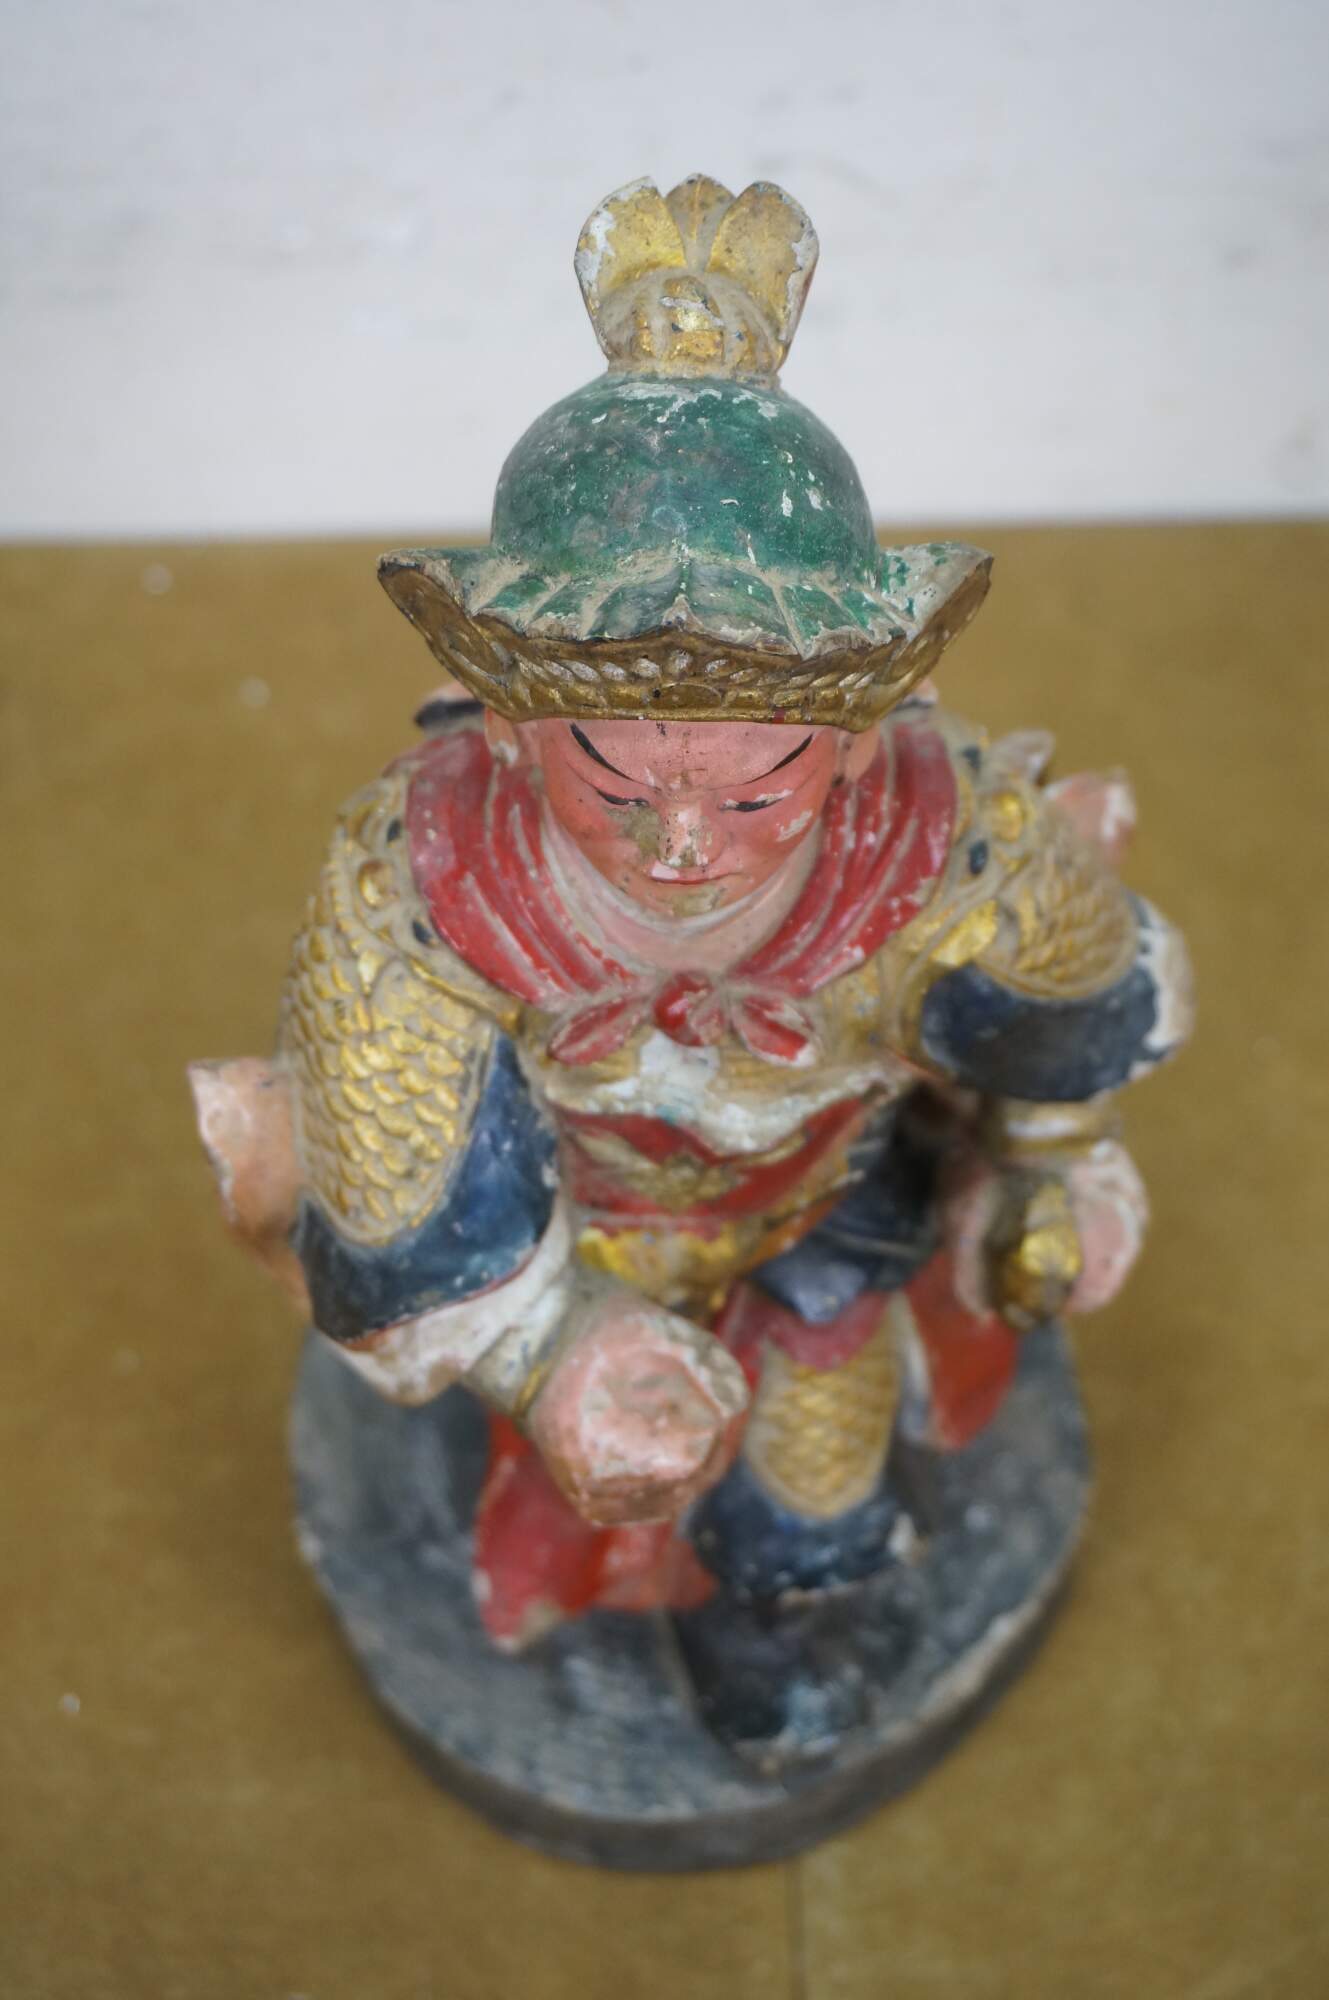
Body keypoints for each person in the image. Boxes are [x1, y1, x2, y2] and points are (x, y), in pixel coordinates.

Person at [191, 174, 1192, 1763]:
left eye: (754, 788)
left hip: (826, 1200)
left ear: (851, 738)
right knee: (533, 1408)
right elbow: (392, 1185)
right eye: (611, 781)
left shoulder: (930, 843)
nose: (679, 847)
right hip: (564, 1224)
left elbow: (1064, 1004)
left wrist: (1049, 1165)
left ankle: (778, 1612)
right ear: (510, 728)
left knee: (813, 1458)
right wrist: (551, 1349)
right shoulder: (426, 885)